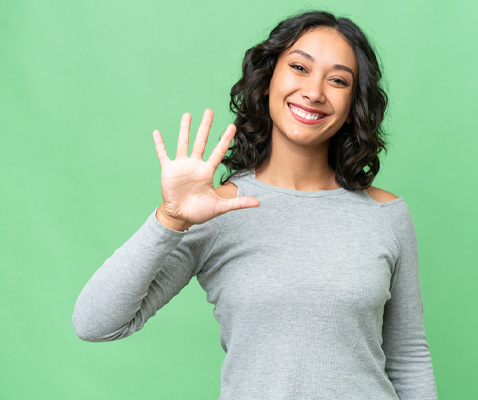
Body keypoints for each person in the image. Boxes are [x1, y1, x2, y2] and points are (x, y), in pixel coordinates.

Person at [73, 10, 438, 399]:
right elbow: (95, 323)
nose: (314, 92)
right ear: (267, 81)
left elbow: (408, 357)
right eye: (299, 67)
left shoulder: (386, 214)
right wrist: (169, 219)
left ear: (353, 105)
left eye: (337, 80)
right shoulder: (218, 210)